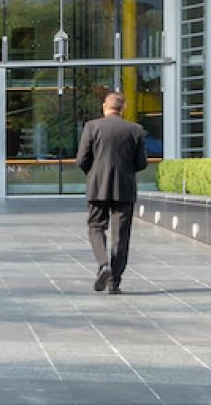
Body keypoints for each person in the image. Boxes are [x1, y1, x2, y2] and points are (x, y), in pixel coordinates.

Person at [76, 89, 150, 296]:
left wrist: (93, 174)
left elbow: (82, 159)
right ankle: (114, 281)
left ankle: (103, 265)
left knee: (96, 227)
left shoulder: (92, 127)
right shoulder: (135, 130)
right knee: (121, 235)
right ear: (123, 108)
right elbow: (141, 163)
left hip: (97, 186)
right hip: (124, 188)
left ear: (104, 107)